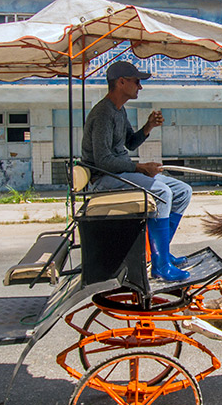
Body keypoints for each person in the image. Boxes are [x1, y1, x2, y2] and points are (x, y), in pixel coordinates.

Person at [81, 59, 192, 281]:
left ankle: (163, 254)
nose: (140, 87)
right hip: (104, 179)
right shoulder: (103, 113)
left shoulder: (119, 111)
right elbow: (103, 160)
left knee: (183, 191)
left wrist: (149, 126)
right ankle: (160, 266)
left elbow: (130, 143)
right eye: (137, 82)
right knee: (162, 192)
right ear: (121, 82)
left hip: (120, 173)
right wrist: (139, 167)